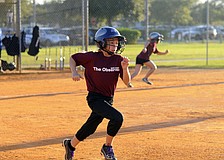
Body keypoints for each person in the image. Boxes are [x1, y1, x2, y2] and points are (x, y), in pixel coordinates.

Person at [62, 26, 131, 160]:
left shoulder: (118, 59)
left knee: (91, 127)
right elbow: (73, 58)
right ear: (101, 43)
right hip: (95, 98)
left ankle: (70, 145)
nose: (115, 45)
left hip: (108, 99)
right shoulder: (91, 57)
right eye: (111, 42)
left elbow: (127, 81)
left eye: (116, 42)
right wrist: (74, 72)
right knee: (117, 118)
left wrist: (125, 67)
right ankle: (107, 147)